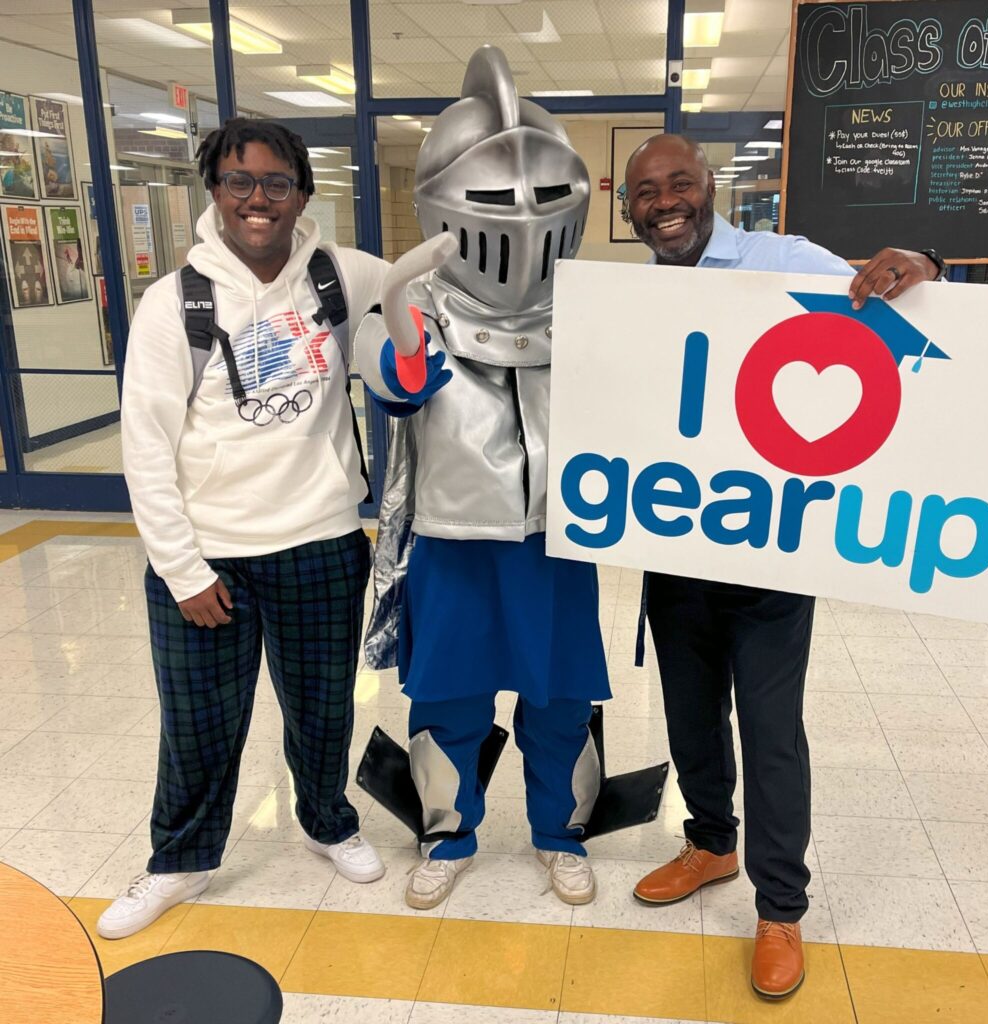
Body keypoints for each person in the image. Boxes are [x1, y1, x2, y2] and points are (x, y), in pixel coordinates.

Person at [623, 134, 944, 999]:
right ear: (629, 208)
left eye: (679, 183)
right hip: (673, 551)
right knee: (690, 718)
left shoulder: (782, 259)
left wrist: (920, 261)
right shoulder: (626, 294)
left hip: (770, 557)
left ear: (708, 187)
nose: (665, 201)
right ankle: (711, 844)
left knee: (771, 734)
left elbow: (894, 294)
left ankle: (780, 909)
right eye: (646, 191)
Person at [100, 118, 388, 940]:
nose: (257, 200)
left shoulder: (340, 273)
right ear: (215, 192)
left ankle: (328, 821)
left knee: (324, 711)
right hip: (210, 556)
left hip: (323, 545)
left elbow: (422, 289)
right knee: (198, 724)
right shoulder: (174, 303)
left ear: (302, 194)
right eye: (239, 182)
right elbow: (145, 447)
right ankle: (177, 862)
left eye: (276, 184)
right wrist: (182, 569)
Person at [354, 46, 610, 911]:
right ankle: (449, 832)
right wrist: (398, 297)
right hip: (454, 544)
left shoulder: (594, 307)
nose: (525, 220)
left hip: (561, 538)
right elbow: (399, 384)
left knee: (561, 699)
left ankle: (556, 834)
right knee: (451, 698)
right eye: (497, 201)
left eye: (543, 199)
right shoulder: (413, 307)